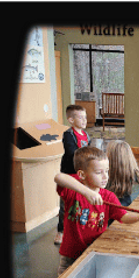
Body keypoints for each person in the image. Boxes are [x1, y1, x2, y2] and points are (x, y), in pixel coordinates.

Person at [54, 146, 139, 276]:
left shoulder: (109, 196)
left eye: (107, 171)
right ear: (82, 174)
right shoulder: (74, 190)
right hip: (70, 256)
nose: (105, 177)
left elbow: (123, 216)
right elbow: (59, 177)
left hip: (96, 252)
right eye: (98, 172)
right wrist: (86, 192)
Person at [55, 104, 91, 245]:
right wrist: (86, 156)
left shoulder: (86, 135)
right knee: (66, 204)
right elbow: (71, 152)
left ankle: (79, 228)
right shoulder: (68, 134)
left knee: (82, 201)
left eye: (85, 117)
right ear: (71, 120)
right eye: (80, 118)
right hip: (69, 174)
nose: (84, 120)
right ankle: (61, 231)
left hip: (82, 174)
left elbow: (90, 150)